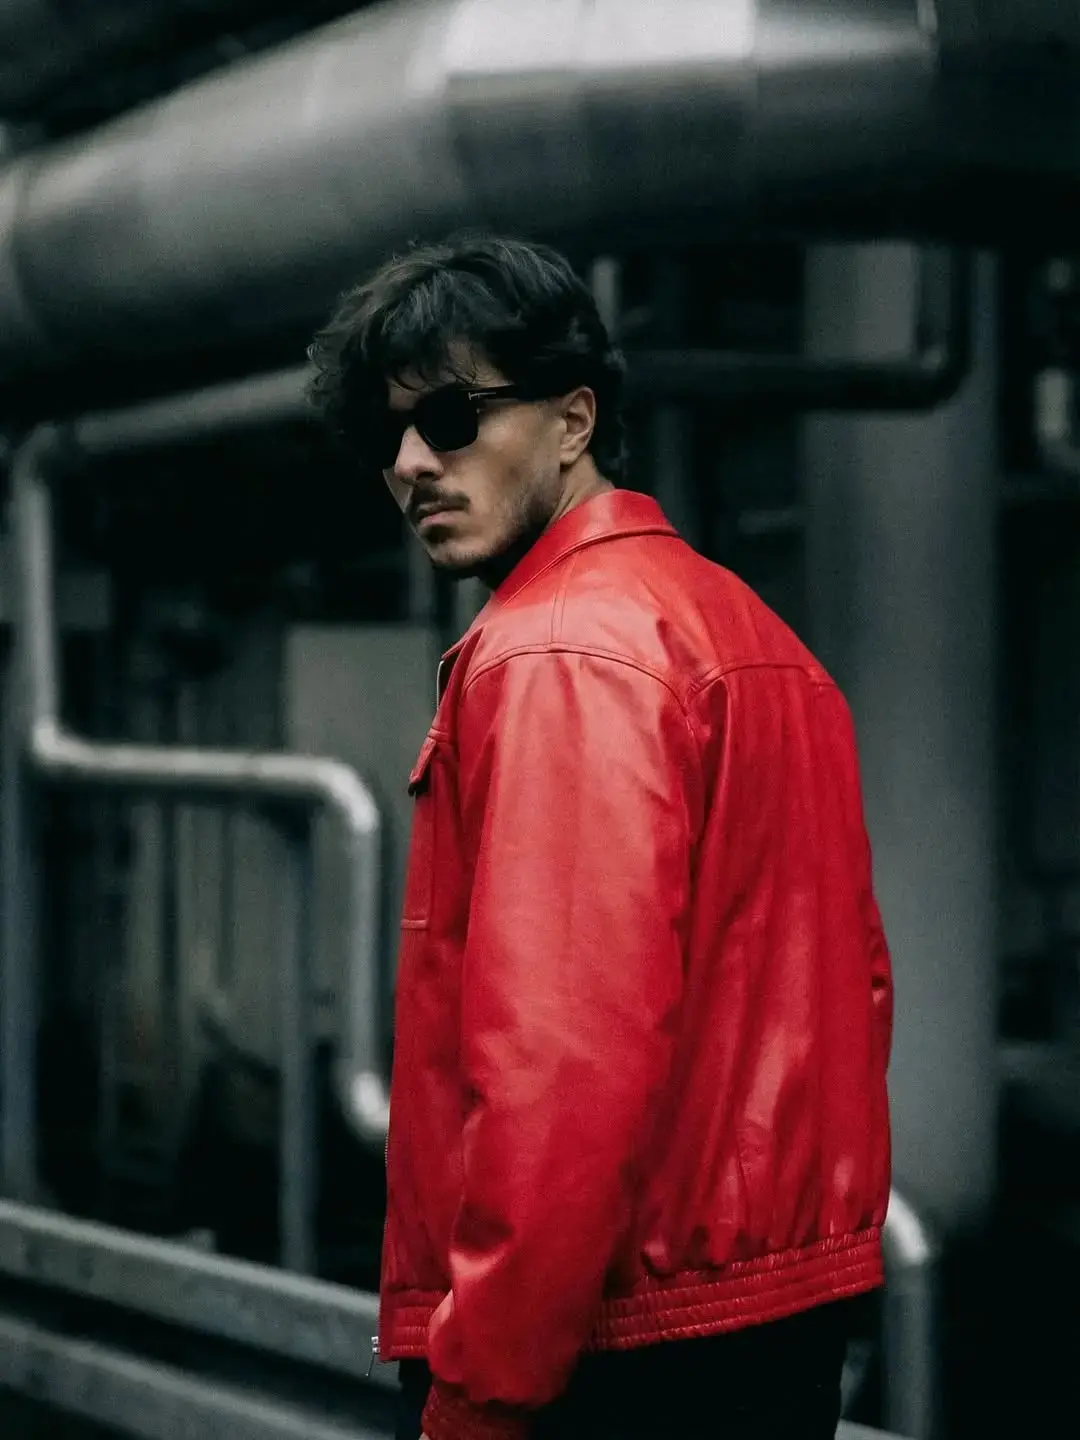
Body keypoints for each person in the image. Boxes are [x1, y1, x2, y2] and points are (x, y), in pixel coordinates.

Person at [307, 234, 893, 1440]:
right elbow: (858, 992)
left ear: (574, 420)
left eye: (452, 417)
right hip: (772, 1329)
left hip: (609, 1352)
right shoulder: (762, 640)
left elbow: (561, 1067)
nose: (412, 464)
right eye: (389, 436)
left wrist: (480, 1393)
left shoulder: (557, 651)